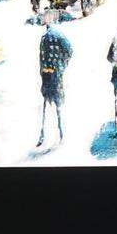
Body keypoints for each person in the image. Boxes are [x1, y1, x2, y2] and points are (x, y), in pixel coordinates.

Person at [37, 11, 73, 146]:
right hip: (54, 73)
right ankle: (58, 133)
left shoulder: (48, 36)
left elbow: (42, 59)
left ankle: (48, 134)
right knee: (56, 103)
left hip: (48, 75)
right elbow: (69, 50)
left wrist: (61, 65)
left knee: (48, 103)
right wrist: (62, 65)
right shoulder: (55, 34)